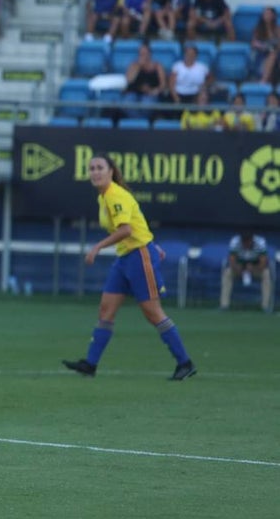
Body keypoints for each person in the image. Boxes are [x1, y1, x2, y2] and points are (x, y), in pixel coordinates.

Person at [62, 155, 197, 381]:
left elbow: (126, 230)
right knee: (106, 309)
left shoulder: (116, 195)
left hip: (138, 256)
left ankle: (185, 362)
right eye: (91, 168)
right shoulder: (103, 197)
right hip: (125, 257)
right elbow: (137, 221)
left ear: (111, 171)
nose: (95, 172)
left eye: (99, 168)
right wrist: (154, 243)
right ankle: (90, 364)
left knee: (152, 313)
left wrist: (98, 247)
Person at [221, 232, 273, 312]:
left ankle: (265, 306)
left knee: (266, 274)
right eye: (244, 242)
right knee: (227, 273)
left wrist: (254, 268)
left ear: (252, 240)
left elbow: (263, 262)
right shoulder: (235, 242)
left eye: (248, 242)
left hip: (255, 268)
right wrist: (238, 268)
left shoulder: (260, 242)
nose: (246, 245)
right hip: (239, 269)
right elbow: (231, 261)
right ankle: (224, 305)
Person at [123, 43, 165, 118]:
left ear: (150, 54)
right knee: (128, 102)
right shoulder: (133, 65)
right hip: (134, 92)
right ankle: (138, 122)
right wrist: (138, 67)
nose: (143, 55)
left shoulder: (157, 66)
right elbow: (129, 80)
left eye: (145, 53)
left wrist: (154, 91)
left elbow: (163, 84)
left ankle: (142, 123)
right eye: (141, 53)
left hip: (150, 93)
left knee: (147, 104)